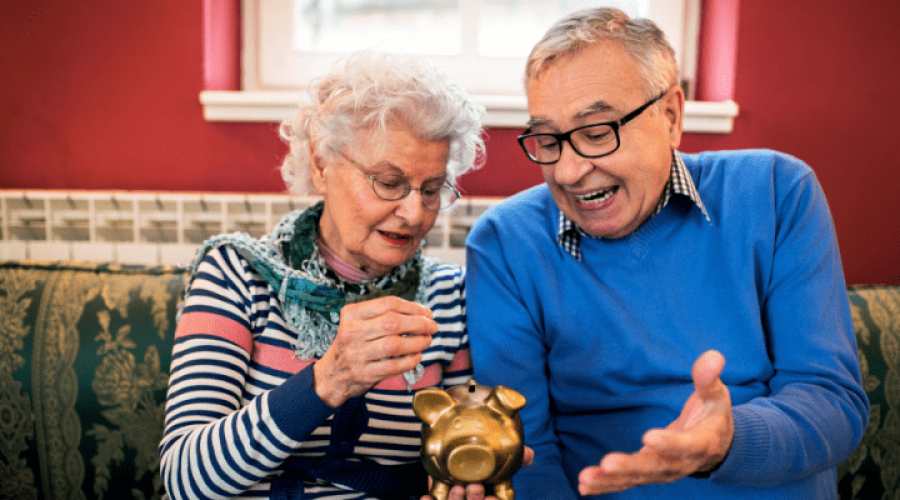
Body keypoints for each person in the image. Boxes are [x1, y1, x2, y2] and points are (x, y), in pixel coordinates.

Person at [465, 8, 868, 499]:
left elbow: (831, 401)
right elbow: (527, 450)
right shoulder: (504, 243)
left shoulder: (778, 192)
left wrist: (725, 442)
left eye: (596, 133)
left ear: (672, 116)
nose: (568, 172)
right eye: (549, 140)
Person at [159, 50, 488, 500]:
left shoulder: (449, 298)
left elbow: (461, 445)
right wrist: (327, 380)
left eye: (431, 189)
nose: (414, 213)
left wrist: (468, 473)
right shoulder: (236, 275)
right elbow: (185, 480)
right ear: (321, 163)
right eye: (388, 183)